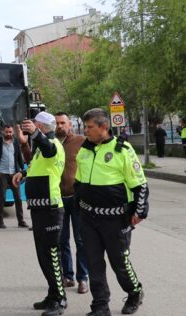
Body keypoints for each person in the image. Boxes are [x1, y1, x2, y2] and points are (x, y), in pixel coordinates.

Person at [75, 108, 149, 316]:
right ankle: (100, 305)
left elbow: (140, 185)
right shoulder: (85, 150)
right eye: (85, 127)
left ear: (104, 127)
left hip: (115, 218)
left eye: (90, 127)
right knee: (93, 262)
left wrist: (140, 211)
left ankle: (134, 292)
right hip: (89, 217)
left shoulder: (122, 150)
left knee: (120, 262)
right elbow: (79, 182)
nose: (86, 131)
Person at [12, 112, 67, 316]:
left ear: (42, 127)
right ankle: (53, 294)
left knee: (52, 255)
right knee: (43, 255)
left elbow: (49, 150)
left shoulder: (52, 143)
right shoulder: (38, 149)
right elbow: (40, 168)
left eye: (34, 124)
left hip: (50, 208)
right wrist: (23, 174)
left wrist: (35, 134)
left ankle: (60, 300)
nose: (30, 126)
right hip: (39, 207)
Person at [54, 112, 89, 294]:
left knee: (81, 240)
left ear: (70, 125)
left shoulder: (82, 141)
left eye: (63, 123)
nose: (59, 126)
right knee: (62, 241)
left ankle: (83, 278)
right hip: (58, 199)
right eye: (57, 123)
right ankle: (68, 276)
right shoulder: (52, 143)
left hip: (77, 199)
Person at [0, 124, 27, 228]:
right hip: (2, 174)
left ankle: (21, 221)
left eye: (10, 132)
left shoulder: (16, 142)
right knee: (2, 198)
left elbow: (19, 156)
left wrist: (22, 170)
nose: (9, 134)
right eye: (7, 132)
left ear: (13, 132)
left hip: (14, 173)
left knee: (18, 198)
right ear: (3, 132)